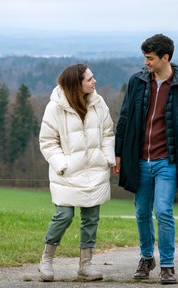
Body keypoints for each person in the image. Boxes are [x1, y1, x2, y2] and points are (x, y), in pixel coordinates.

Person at [112, 34, 178, 285]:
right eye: (144, 57)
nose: (146, 62)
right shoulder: (137, 82)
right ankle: (145, 258)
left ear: (166, 57)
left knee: (163, 211)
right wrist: (118, 153)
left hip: (168, 162)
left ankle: (167, 264)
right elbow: (124, 118)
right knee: (141, 211)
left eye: (150, 58)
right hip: (139, 160)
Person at [38, 63, 116, 282]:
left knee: (91, 218)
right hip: (68, 172)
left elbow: (108, 132)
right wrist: (63, 164)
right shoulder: (55, 108)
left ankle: (86, 266)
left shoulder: (98, 103)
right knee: (64, 215)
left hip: (95, 169)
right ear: (76, 84)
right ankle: (46, 260)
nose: (94, 81)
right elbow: (47, 142)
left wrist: (107, 157)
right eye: (89, 79)